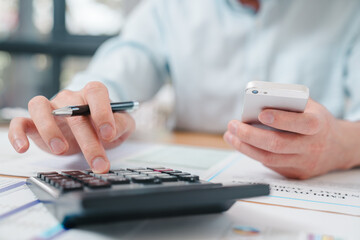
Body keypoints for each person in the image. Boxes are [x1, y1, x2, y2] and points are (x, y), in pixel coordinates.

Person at [8, 0, 360, 179]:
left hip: (321, 185)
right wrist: (85, 104)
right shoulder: (169, 7)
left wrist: (344, 146)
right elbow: (125, 62)